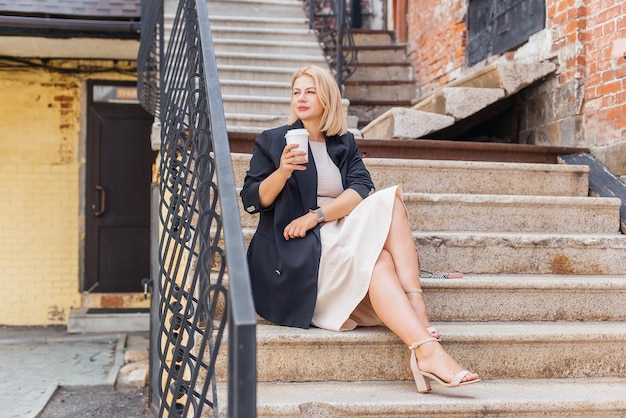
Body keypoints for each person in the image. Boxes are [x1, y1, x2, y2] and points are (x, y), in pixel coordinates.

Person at [240, 65, 480, 392]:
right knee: (380, 259)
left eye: (310, 91)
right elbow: (253, 200)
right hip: (296, 250)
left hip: (336, 231)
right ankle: (424, 337)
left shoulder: (343, 143)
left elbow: (361, 187)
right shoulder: (272, 142)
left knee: (389, 206)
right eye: (297, 92)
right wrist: (282, 171)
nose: (302, 98)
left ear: (327, 98)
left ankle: (423, 343)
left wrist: (317, 215)